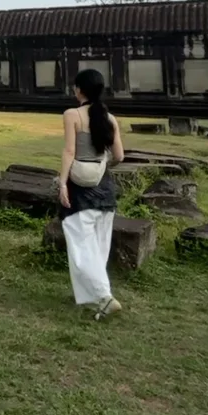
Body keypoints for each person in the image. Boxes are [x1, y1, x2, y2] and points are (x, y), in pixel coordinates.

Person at [57, 68, 125, 320]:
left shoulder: (72, 114)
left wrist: (62, 183)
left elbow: (69, 152)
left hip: (80, 189)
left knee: (81, 246)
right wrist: (102, 166)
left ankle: (104, 296)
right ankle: (89, 295)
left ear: (79, 89)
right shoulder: (110, 118)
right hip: (104, 188)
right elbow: (118, 156)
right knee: (97, 246)